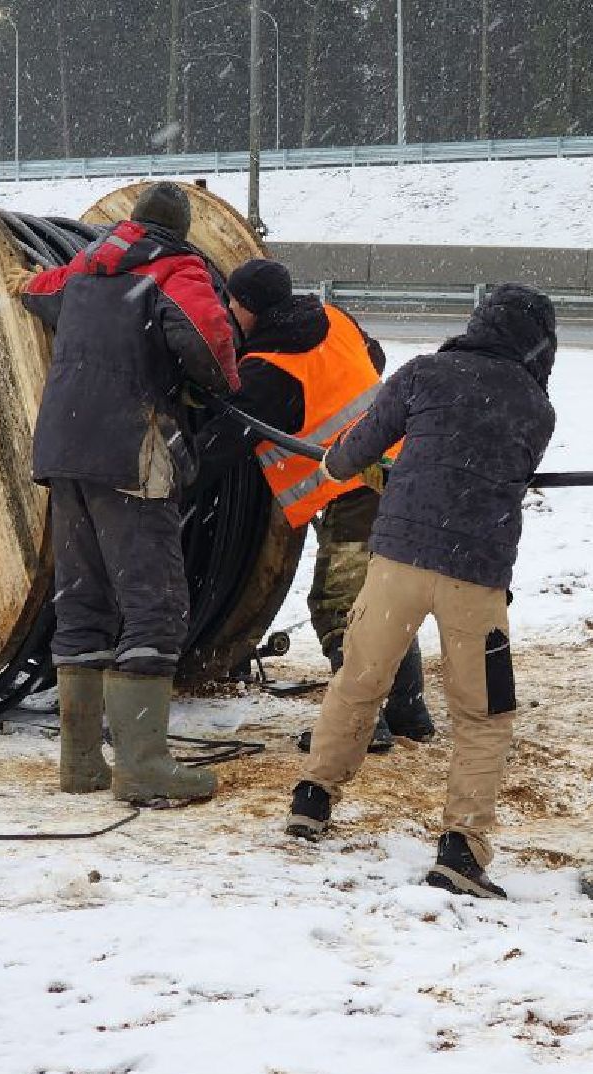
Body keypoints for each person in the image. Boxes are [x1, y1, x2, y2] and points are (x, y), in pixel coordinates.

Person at [283, 284, 558, 901]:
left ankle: (313, 797)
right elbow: (503, 468)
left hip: (397, 562)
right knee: (484, 713)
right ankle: (462, 847)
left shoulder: (423, 374)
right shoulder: (535, 409)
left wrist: (352, 468)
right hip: (476, 577)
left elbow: (351, 452)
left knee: (359, 679)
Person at [11, 181, 239, 807]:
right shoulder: (174, 269)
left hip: (62, 448)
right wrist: (216, 381)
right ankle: (143, 766)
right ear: (180, 230)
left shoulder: (82, 270)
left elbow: (36, 290)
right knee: (154, 601)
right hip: (129, 448)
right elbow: (210, 343)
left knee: (82, 599)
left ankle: (81, 764)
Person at [194, 257, 434, 753]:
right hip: (405, 469)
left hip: (358, 490)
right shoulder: (333, 316)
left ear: (253, 310)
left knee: (338, 606)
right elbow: (377, 356)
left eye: (234, 305)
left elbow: (217, 448)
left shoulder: (269, 371)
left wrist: (169, 475)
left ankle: (358, 725)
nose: (229, 312)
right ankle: (407, 710)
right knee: (384, 597)